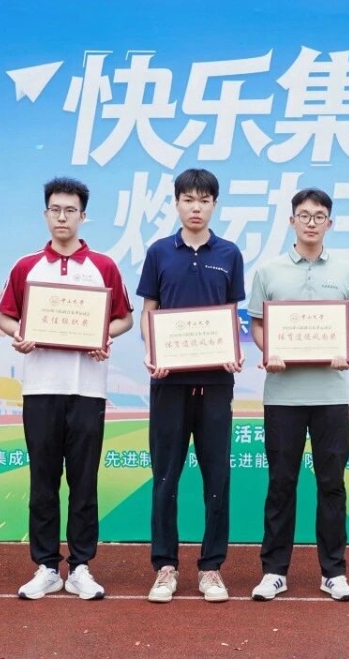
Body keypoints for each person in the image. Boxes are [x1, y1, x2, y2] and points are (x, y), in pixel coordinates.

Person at [0, 177, 134, 601]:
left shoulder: (103, 267)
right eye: (55, 209)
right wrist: (19, 333)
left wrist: (104, 335)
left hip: (87, 389)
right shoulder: (26, 267)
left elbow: (124, 318)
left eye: (70, 210)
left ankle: (80, 567)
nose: (62, 217)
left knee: (83, 480)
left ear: (83, 216)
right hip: (40, 389)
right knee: (43, 479)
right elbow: (4, 317)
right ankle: (46, 566)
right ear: (45, 214)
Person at [247, 188, 349, 603]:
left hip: (331, 394)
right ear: (291, 221)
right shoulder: (269, 271)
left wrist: (345, 350)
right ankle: (274, 571)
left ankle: (333, 572)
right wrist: (269, 351)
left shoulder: (347, 272)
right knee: (281, 484)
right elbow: (258, 324)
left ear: (329, 223)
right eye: (304, 215)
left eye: (319, 216)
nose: (311, 222)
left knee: (332, 484)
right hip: (283, 396)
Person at [137, 168, 245, 604]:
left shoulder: (229, 253)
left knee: (217, 477)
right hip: (169, 384)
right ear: (176, 203)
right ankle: (165, 567)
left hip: (216, 383)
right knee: (165, 477)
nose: (195, 207)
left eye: (203, 200)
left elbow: (230, 313)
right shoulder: (160, 252)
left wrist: (232, 350)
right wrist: (154, 351)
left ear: (214, 204)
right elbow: (150, 310)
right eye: (188, 199)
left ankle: (211, 568)